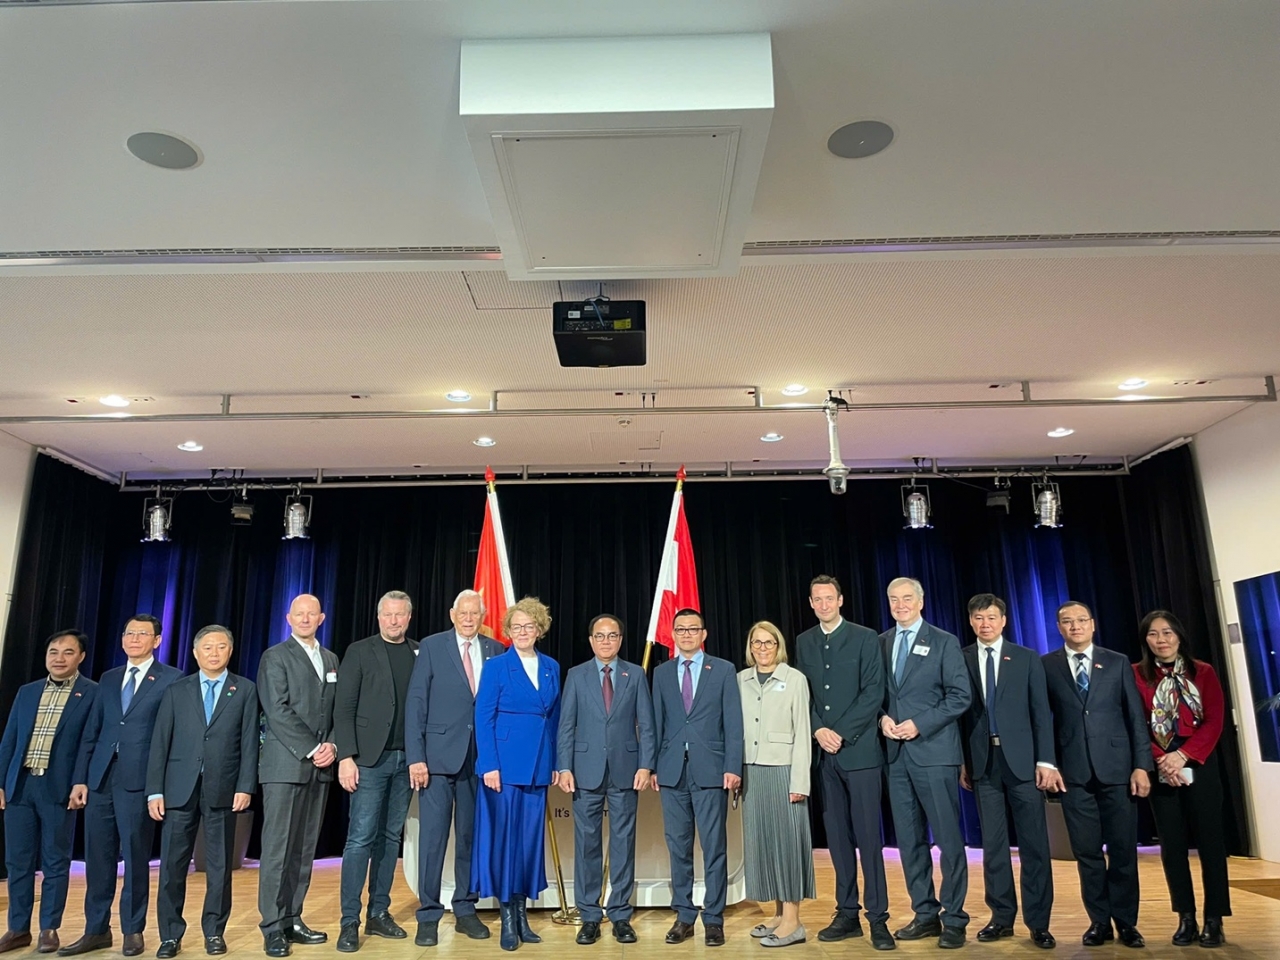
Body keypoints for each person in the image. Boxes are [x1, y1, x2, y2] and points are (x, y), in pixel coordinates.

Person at [62, 615, 182, 958]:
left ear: (157, 641)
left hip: (139, 779)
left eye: (142, 634)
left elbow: (170, 736)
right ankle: (96, 929)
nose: (134, 639)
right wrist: (81, 778)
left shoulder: (172, 679)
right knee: (98, 859)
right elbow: (92, 731)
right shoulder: (109, 677)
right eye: (129, 633)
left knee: (135, 857)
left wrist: (159, 786)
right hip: (101, 778)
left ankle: (133, 930)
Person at [1041, 601, 1152, 949]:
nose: (1075, 626)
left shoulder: (1117, 662)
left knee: (1122, 850)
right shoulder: (1046, 665)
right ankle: (1099, 922)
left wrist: (1142, 765)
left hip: (1118, 770)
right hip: (1073, 773)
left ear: (1093, 624)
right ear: (1059, 627)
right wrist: (1048, 763)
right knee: (1087, 853)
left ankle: (1127, 923)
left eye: (1081, 620)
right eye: (1067, 622)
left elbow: (1135, 717)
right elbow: (1042, 720)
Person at [146, 625, 259, 958]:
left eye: (221, 646)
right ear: (195, 653)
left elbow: (250, 742)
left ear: (230, 651)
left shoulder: (244, 689)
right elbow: (160, 742)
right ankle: (170, 935)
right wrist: (155, 790)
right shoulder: (176, 691)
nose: (214, 652)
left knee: (220, 867)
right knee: (172, 867)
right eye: (207, 647)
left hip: (223, 788)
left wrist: (245, 786)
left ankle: (214, 932)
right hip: (178, 789)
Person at [792, 575, 892, 950]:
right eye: (817, 599)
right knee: (837, 839)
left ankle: (878, 918)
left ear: (840, 600)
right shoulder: (804, 641)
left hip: (860, 752)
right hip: (823, 755)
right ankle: (847, 914)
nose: (823, 604)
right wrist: (818, 729)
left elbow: (873, 693)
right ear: (811, 603)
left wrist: (840, 732)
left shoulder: (865, 637)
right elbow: (803, 694)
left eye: (829, 598)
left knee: (869, 839)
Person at [958, 594, 1061, 950]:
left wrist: (1046, 761)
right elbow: (959, 718)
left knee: (1034, 845)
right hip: (982, 763)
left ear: (1003, 620)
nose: (985, 623)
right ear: (971, 621)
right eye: (978, 618)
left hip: (1023, 763)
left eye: (991, 617)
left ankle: (1039, 923)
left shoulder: (1026, 657)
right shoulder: (961, 658)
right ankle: (1001, 918)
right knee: (994, 846)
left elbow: (1041, 712)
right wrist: (962, 761)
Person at [405, 589, 503, 947]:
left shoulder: (496, 650)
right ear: (452, 614)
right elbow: (416, 702)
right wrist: (416, 756)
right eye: (463, 613)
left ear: (483, 616)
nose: (468, 618)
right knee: (433, 839)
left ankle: (465, 908)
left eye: (475, 613)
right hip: (435, 759)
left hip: (478, 760)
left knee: (469, 837)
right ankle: (429, 914)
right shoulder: (432, 646)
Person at [878, 577, 970, 950]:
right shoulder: (881, 643)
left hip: (934, 753)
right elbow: (876, 695)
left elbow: (960, 696)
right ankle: (925, 914)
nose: (900, 605)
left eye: (906, 598)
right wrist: (882, 719)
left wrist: (920, 723)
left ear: (920, 601)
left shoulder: (944, 641)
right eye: (893, 599)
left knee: (948, 840)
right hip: (896, 758)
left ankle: (955, 918)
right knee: (909, 841)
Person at [1132, 610, 1230, 948]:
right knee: (1172, 846)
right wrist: (1162, 760)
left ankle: (1214, 918)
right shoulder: (1135, 674)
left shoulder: (1203, 672)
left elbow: (1215, 720)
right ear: (1145, 640)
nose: (1161, 640)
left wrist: (1183, 756)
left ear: (1179, 636)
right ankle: (1185, 916)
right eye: (1153, 634)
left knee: (1211, 843)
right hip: (1160, 764)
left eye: (1167, 633)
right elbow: (1135, 723)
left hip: (1199, 761)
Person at [555, 614, 655, 945]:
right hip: (585, 770)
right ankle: (589, 915)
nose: (606, 641)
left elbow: (647, 724)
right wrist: (564, 767)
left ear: (621, 640)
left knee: (623, 842)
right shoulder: (576, 675)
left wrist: (646, 765)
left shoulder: (635, 674)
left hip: (626, 769)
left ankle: (620, 914)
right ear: (591, 640)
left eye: (612, 635)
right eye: (600, 636)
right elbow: (566, 725)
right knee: (587, 843)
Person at [471, 597, 562, 952]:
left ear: (540, 629)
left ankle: (523, 916)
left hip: (538, 766)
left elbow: (554, 719)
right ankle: (507, 918)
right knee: (505, 844)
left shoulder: (551, 666)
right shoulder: (496, 667)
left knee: (528, 844)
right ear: (508, 631)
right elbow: (483, 717)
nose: (523, 632)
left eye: (529, 626)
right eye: (516, 626)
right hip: (504, 768)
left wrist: (555, 762)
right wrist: (489, 765)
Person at [0, 630, 99, 955]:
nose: (59, 658)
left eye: (68, 652)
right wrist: (0, 781)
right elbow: (10, 739)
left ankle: (49, 928)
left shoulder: (92, 693)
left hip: (58, 787)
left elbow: (88, 743)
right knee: (18, 861)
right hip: (20, 785)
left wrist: (80, 781)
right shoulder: (27, 691)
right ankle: (17, 928)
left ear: (81, 657)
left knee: (56, 860)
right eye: (53, 651)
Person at [332, 591, 419, 953]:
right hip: (368, 760)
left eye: (400, 615)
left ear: (409, 617)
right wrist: (346, 756)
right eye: (388, 615)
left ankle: (378, 913)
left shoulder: (419, 652)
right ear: (379, 616)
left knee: (389, 840)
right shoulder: (359, 651)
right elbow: (343, 708)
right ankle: (349, 921)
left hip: (406, 761)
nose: (394, 621)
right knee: (360, 840)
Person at [652, 608, 744, 948]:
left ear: (703, 634)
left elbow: (733, 722)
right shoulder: (661, 673)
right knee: (678, 846)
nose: (687, 634)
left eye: (693, 629)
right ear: (673, 634)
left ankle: (714, 918)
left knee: (713, 846)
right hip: (672, 771)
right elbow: (656, 723)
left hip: (712, 770)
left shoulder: (723, 669)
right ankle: (684, 915)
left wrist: (733, 766)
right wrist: (653, 766)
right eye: (681, 629)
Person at [256, 594, 340, 958]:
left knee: (304, 850)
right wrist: (312, 747)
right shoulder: (275, 657)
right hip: (286, 766)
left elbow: (337, 710)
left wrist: (332, 745)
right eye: (299, 614)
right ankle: (273, 926)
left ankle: (293, 918)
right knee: (278, 850)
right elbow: (276, 710)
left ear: (321, 618)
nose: (305, 619)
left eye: (312, 614)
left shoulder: (331, 659)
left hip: (320, 768)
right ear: (289, 618)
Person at [737, 621, 815, 948]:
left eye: (769, 642)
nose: (762, 648)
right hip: (752, 771)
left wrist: (800, 782)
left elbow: (803, 733)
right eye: (757, 643)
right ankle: (780, 915)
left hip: (784, 771)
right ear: (750, 647)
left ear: (778, 646)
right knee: (766, 845)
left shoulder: (794, 679)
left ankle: (794, 922)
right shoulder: (741, 680)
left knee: (788, 845)